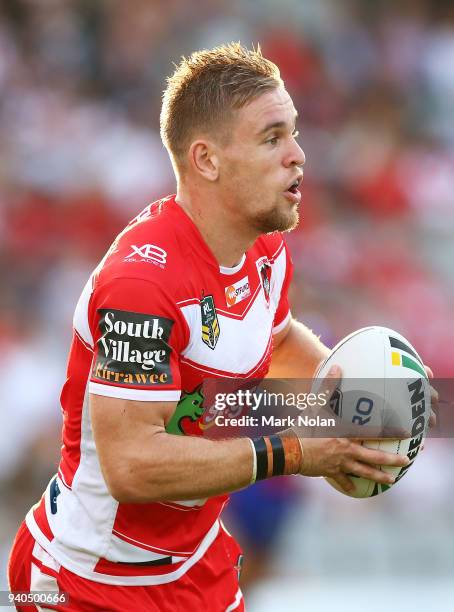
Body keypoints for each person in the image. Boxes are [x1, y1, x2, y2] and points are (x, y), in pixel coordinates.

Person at [8, 43, 411, 612]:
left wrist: (345, 399)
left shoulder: (264, 249)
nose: (298, 155)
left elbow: (273, 339)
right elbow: (132, 465)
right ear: (206, 160)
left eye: (294, 133)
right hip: (89, 582)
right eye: (272, 139)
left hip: (198, 568)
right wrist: (296, 451)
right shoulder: (142, 286)